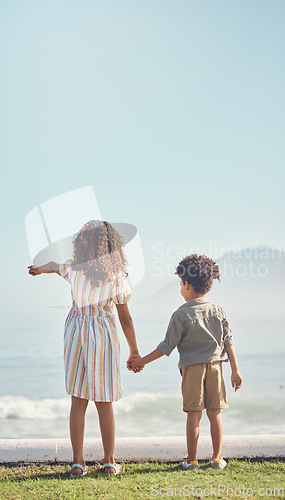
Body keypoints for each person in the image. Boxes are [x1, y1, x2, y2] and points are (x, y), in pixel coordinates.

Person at [28, 220, 142, 477]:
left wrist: (39, 270)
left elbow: (55, 266)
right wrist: (134, 351)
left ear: (82, 244)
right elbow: (125, 319)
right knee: (104, 401)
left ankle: (78, 463)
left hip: (76, 331)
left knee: (78, 401)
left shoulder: (74, 269)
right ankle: (109, 462)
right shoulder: (116, 278)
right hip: (102, 334)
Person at [130, 254, 243, 471]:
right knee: (215, 413)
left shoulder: (180, 315)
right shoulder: (218, 311)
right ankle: (217, 459)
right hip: (216, 367)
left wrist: (141, 361)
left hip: (192, 369)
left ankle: (192, 462)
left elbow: (166, 347)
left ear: (187, 284)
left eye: (180, 284)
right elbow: (228, 341)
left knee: (194, 414)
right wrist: (235, 370)